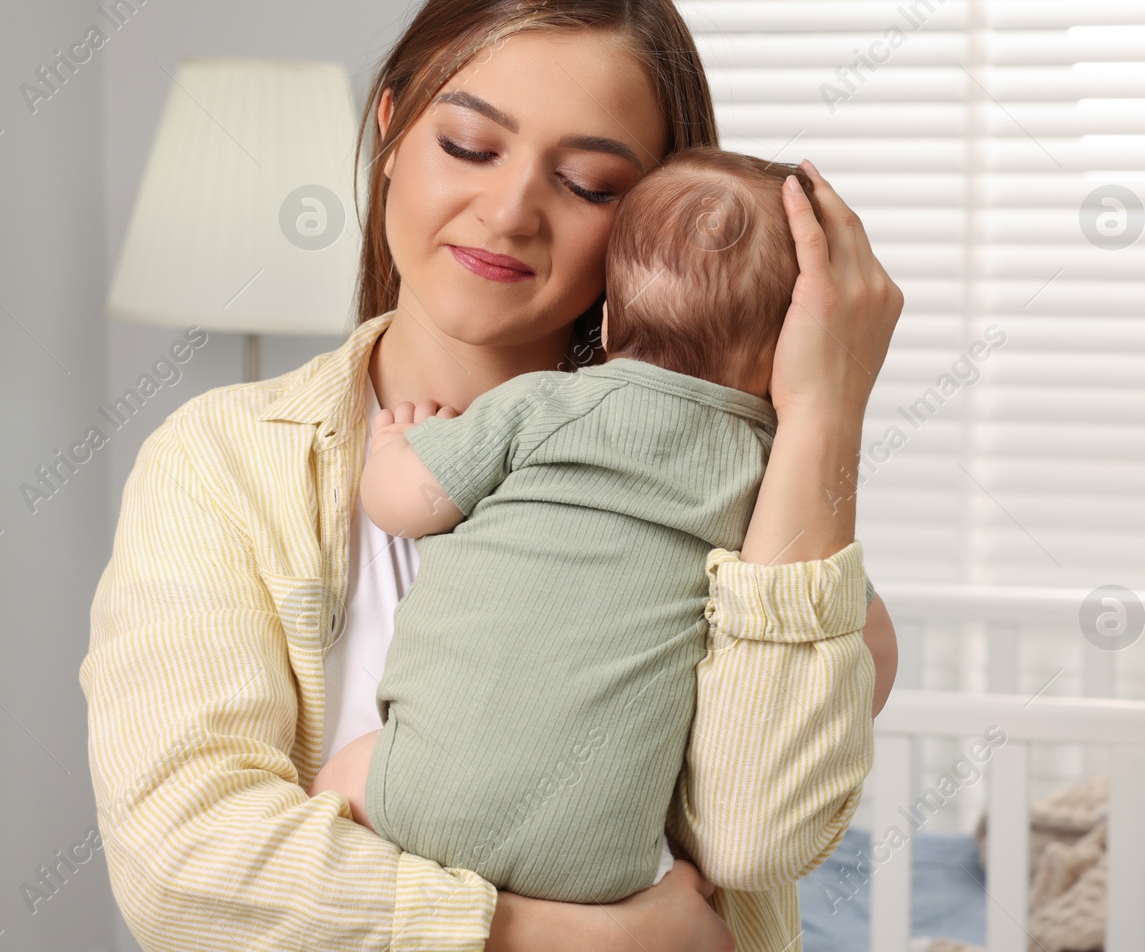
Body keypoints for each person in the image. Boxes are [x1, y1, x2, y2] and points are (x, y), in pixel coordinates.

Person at [80, 0, 902, 952]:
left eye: (592, 183)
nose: (509, 209)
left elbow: (752, 832)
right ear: (390, 132)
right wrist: (559, 936)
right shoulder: (222, 461)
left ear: (655, 220)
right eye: (469, 145)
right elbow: (183, 862)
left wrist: (821, 412)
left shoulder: (753, 503)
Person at [310, 149, 899, 907]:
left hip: (416, 795)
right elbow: (864, 657)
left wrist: (396, 444)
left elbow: (400, 504)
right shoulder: (769, 479)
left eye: (590, 186)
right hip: (604, 868)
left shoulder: (546, 404)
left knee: (341, 780)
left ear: (611, 315)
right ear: (795, 352)